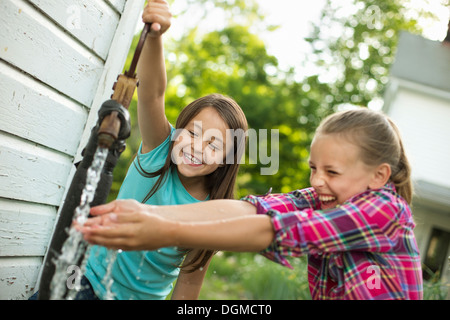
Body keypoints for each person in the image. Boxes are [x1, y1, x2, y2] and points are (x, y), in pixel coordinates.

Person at [80, 108, 423, 300]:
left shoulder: (384, 210)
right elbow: (252, 210)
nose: (317, 181)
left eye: (332, 171)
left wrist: (165, 230)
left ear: (379, 176)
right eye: (313, 169)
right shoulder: (323, 197)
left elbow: (277, 231)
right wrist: (149, 213)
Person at [77, 0, 248, 300]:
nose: (197, 147)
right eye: (193, 133)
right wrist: (155, 37)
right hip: (86, 284)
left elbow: (189, 284)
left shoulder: (213, 211)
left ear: (226, 159)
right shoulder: (159, 152)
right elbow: (152, 95)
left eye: (214, 144)